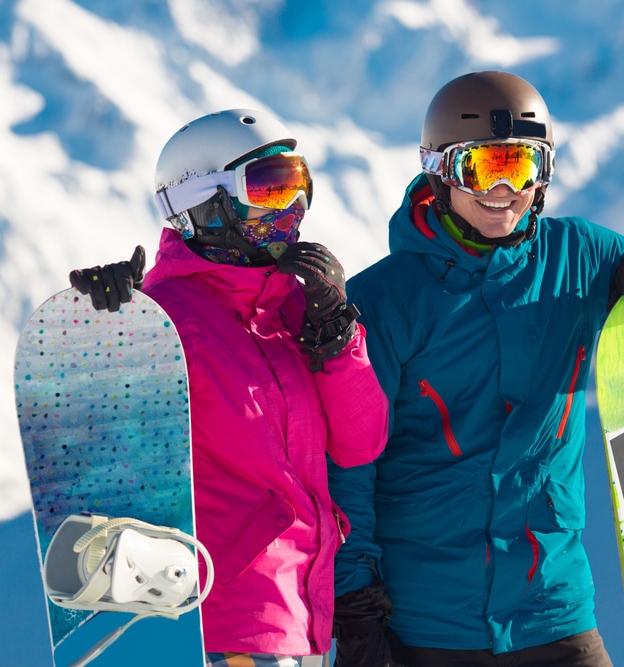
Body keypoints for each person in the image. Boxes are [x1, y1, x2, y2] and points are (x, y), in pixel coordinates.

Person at [327, 71, 624, 667]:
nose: (503, 189)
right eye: (480, 168)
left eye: (521, 167)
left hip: (554, 608)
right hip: (429, 622)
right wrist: (355, 600)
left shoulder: (580, 257)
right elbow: (348, 462)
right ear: (438, 172)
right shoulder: (384, 302)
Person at [69, 108, 389, 667]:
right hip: (224, 617)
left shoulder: (292, 309)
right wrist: (107, 328)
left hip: (302, 615)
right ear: (203, 204)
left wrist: (337, 336)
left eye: (297, 186)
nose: (290, 208)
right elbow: (108, 449)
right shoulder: (167, 322)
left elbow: (362, 443)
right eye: (266, 189)